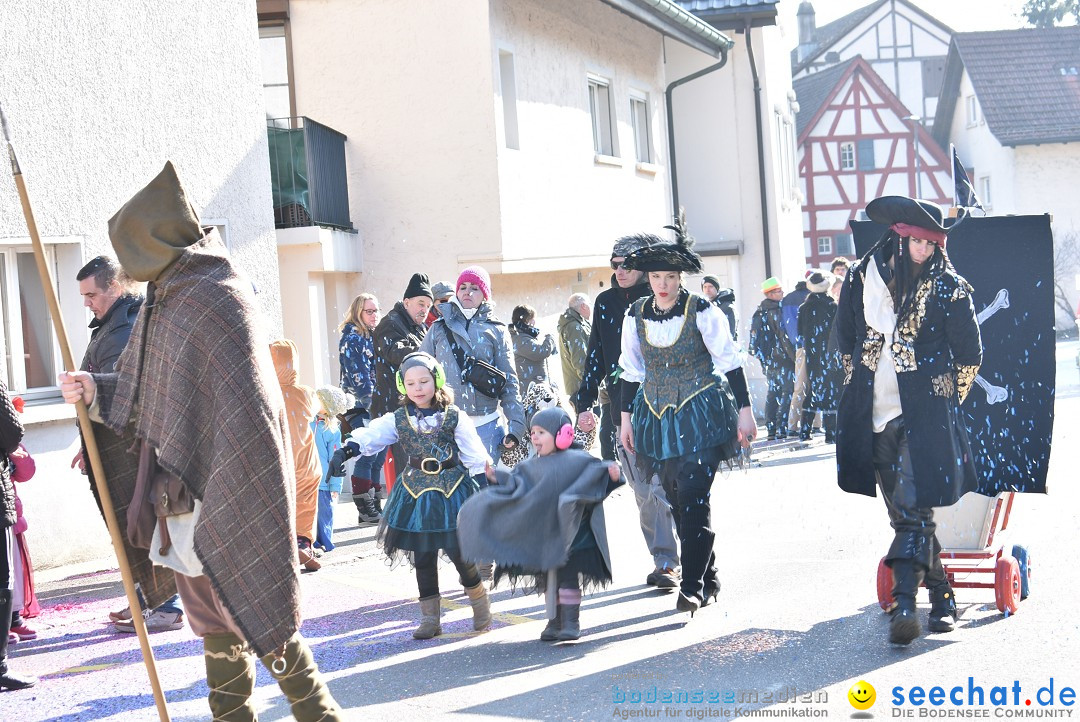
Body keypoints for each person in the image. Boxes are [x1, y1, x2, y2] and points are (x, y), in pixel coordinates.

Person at [59, 161, 342, 719]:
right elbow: (150, 388)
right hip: (180, 493)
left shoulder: (212, 293)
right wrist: (93, 387)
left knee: (255, 603)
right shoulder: (169, 294)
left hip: (231, 484)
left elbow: (236, 407)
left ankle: (320, 715)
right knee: (211, 619)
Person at [834, 195, 981, 646]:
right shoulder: (861, 278)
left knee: (914, 513)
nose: (924, 252)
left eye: (931, 245)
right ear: (899, 240)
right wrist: (856, 385)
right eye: (917, 243)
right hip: (872, 413)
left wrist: (942, 401)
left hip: (921, 416)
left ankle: (904, 605)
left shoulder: (950, 288)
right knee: (904, 517)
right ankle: (942, 594)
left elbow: (970, 357)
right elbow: (843, 340)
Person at [618, 228, 756, 616]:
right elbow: (630, 371)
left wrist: (745, 411)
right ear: (649, 279)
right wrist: (625, 420)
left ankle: (692, 585)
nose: (663, 285)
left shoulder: (702, 310)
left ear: (681, 279)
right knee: (677, 499)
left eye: (671, 278)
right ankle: (709, 575)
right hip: (657, 418)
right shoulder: (636, 314)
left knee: (695, 497)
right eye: (657, 278)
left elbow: (729, 361)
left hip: (700, 414)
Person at [329, 353, 492, 639]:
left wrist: (483, 488)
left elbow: (475, 454)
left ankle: (479, 600)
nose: (418, 388)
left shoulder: (455, 416)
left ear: (437, 381)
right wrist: (348, 450)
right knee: (423, 556)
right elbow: (372, 436)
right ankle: (430, 619)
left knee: (459, 553)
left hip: (452, 491)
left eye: (424, 381)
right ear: (402, 386)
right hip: (415, 494)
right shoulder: (398, 419)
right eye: (411, 382)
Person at [75, 255, 186, 633]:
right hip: (123, 448)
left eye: (92, 294)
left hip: (131, 452)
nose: (87, 303)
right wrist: (86, 444)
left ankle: (165, 606)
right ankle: (145, 600)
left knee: (142, 524)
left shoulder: (122, 331)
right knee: (133, 526)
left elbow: (120, 399)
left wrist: (97, 441)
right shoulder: (111, 326)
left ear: (116, 288)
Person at [570, 234, 680, 590]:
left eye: (627, 265)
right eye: (614, 265)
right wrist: (583, 404)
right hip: (624, 411)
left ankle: (681, 557)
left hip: (668, 408)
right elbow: (596, 358)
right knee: (644, 490)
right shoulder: (604, 303)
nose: (619, 271)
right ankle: (664, 558)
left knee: (670, 488)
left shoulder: (662, 300)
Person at [457, 407, 621, 642]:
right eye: (532, 432)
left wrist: (613, 477)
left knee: (567, 579)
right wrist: (497, 478)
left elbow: (598, 482)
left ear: (563, 434)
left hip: (575, 536)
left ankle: (571, 622)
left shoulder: (580, 460)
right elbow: (517, 484)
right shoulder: (532, 465)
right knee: (549, 581)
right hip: (546, 535)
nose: (534, 437)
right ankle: (555, 621)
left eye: (541, 432)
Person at [420, 265, 525, 459]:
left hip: (487, 425)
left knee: (485, 487)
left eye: (475, 288)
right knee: (452, 487)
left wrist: (516, 426)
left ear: (484, 294)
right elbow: (419, 372)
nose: (468, 292)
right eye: (463, 287)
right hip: (448, 425)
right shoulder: (438, 328)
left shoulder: (497, 331)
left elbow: (510, 381)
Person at [270, 339, 323, 573]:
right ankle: (303, 543)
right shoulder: (306, 393)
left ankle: (278, 547)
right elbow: (323, 408)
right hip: (305, 463)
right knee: (305, 503)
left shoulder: (266, 393)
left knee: (277, 505)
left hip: (275, 462)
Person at [338, 293, 385, 524]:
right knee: (367, 455)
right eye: (369, 311)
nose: (374, 315)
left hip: (377, 405)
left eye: (376, 310)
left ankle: (375, 503)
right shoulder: (353, 338)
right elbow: (359, 379)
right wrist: (374, 407)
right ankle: (364, 508)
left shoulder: (373, 336)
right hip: (360, 406)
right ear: (358, 313)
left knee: (378, 458)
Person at [1, 381, 36, 690]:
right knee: (4, 574)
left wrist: (18, 458)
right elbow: (11, 431)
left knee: (12, 571)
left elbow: (26, 471)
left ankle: (14, 619)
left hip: (11, 514)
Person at [372, 274, 432, 418]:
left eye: (428, 306)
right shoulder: (390, 323)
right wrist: (430, 352)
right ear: (406, 303)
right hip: (391, 407)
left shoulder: (419, 326)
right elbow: (395, 353)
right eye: (421, 303)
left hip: (409, 404)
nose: (425, 310)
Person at [797, 272, 841, 443]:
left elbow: (800, 332)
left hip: (812, 354)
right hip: (830, 353)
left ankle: (805, 431)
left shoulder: (804, 308)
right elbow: (838, 330)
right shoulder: (833, 306)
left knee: (813, 389)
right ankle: (831, 434)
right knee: (831, 390)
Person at [749, 278, 795, 439]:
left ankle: (771, 429)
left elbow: (753, 340)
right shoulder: (776, 310)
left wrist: (764, 358)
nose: (782, 293)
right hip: (782, 358)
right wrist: (794, 357)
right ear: (770, 293)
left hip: (769, 360)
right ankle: (781, 427)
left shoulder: (760, 310)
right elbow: (783, 337)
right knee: (788, 391)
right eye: (779, 290)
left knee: (773, 392)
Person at [312, 386, 349, 552]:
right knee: (308, 512)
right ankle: (308, 542)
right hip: (306, 476)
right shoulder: (305, 420)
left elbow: (335, 458)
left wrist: (335, 485)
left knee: (324, 513)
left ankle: (324, 542)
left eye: (317, 399)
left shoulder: (331, 429)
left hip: (324, 480)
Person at [783, 277, 813, 435]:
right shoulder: (812, 297)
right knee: (814, 385)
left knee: (798, 388)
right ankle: (815, 424)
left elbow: (788, 327)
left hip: (799, 347)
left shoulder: (787, 299)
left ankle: (792, 425)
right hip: (814, 347)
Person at [509, 304, 558, 392]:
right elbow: (541, 352)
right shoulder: (520, 339)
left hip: (534, 386)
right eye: (531, 318)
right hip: (529, 389)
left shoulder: (523, 336)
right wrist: (550, 339)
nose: (534, 322)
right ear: (525, 320)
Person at [557, 293, 592, 399]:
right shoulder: (574, 327)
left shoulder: (578, 323)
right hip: (581, 388)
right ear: (583, 306)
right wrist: (590, 384)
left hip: (581, 386)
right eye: (589, 304)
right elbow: (580, 359)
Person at [701, 275, 737, 341]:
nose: (707, 290)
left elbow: (730, 334)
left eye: (710, 286)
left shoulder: (727, 307)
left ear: (717, 288)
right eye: (705, 287)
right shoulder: (703, 307)